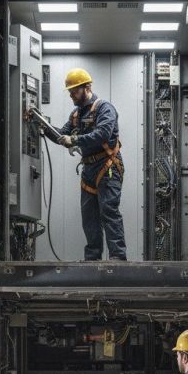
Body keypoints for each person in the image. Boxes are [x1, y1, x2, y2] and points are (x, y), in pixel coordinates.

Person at [54, 68, 127, 261]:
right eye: (69, 92)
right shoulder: (76, 115)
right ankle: (93, 258)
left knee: (109, 210)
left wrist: (75, 140)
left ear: (87, 87)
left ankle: (118, 258)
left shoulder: (104, 108)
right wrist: (42, 125)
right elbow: (62, 135)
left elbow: (102, 134)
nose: (71, 96)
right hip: (88, 171)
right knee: (89, 217)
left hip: (108, 166)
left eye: (74, 91)